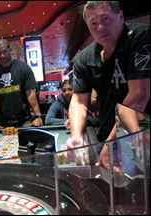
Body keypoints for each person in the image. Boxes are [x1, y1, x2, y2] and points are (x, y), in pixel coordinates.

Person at [66, 1, 150, 167]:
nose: (100, 28)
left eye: (105, 19)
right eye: (93, 24)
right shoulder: (84, 58)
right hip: (108, 134)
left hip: (142, 133)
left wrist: (112, 143)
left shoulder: (140, 36)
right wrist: (76, 136)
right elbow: (78, 102)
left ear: (120, 16)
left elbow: (139, 94)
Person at [0, 39, 43, 129]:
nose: (2, 55)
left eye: (4, 51)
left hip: (23, 121)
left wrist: (38, 116)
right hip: (1, 123)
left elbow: (31, 94)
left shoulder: (24, 68)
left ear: (10, 49)